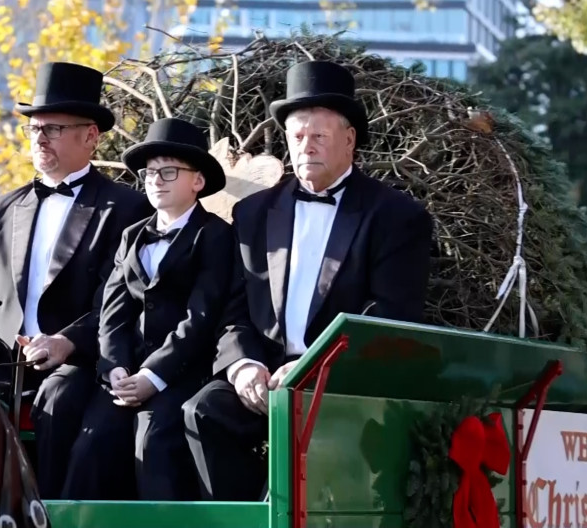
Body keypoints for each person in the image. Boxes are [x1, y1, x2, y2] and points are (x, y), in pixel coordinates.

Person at [183, 60, 434, 501]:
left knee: (305, 444)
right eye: (297, 137)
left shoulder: (397, 217)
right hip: (265, 379)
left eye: (319, 136)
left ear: (349, 140)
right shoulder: (253, 212)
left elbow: (390, 317)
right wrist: (243, 366)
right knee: (203, 410)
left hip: (341, 381)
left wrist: (312, 367)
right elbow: (235, 308)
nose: (306, 148)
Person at [0, 61, 152, 499]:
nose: (40, 137)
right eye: (34, 128)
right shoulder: (0, 209)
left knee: (58, 399)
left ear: (90, 136)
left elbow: (122, 303)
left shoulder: (126, 209)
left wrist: (70, 342)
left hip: (80, 365)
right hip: (2, 367)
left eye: (54, 128)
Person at [60, 117, 233, 501]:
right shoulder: (132, 235)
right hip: (125, 373)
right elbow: (113, 312)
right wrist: (114, 367)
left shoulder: (215, 235)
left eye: (168, 171)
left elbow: (201, 318)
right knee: (91, 444)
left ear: (198, 182)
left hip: (183, 372)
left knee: (153, 442)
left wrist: (153, 376)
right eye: (150, 173)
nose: (155, 180)